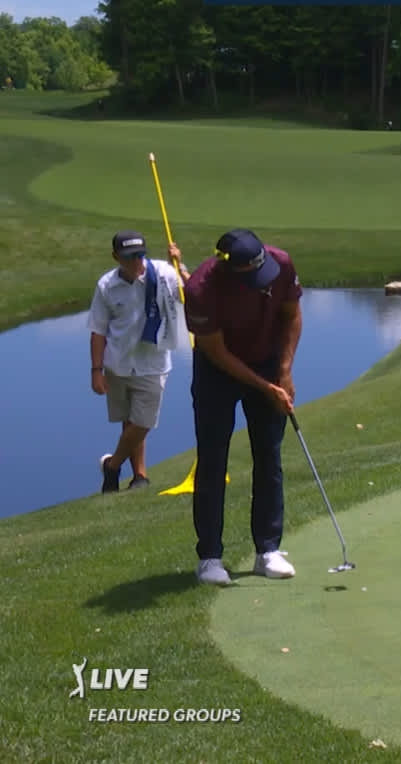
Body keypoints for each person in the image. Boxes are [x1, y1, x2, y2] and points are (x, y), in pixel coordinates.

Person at [183, 228, 303, 586]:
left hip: (267, 359)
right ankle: (209, 558)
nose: (262, 283)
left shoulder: (280, 263)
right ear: (228, 267)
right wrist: (264, 387)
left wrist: (282, 373)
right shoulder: (201, 289)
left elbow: (291, 315)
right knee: (213, 458)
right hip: (217, 371)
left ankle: (268, 550)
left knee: (269, 454)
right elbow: (216, 352)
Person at [88, 231, 189, 493]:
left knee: (143, 422)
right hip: (118, 363)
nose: (136, 262)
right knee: (129, 421)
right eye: (129, 257)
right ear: (116, 257)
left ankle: (112, 465)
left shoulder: (164, 273)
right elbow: (98, 331)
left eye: (139, 255)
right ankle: (139, 476)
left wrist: (181, 265)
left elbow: (191, 294)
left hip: (153, 363)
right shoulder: (106, 285)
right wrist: (96, 370)